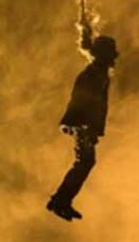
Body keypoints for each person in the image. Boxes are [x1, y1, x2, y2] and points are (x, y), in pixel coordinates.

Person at [47, 17, 119, 221]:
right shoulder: (93, 75)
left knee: (85, 163)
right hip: (83, 126)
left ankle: (61, 200)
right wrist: (85, 127)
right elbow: (82, 101)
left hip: (84, 126)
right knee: (85, 162)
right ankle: (60, 201)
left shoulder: (97, 74)